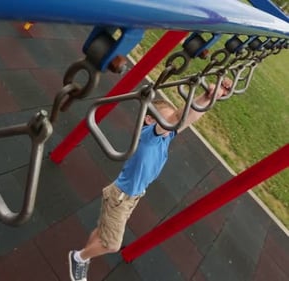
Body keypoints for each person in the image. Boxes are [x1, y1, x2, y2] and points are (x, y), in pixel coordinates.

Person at [68, 78, 233, 281]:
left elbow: (189, 118)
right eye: (166, 118)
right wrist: (193, 101)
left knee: (104, 233)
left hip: (129, 197)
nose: (171, 121)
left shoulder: (165, 139)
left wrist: (209, 97)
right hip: (121, 196)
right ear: (149, 120)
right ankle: (79, 257)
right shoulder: (148, 135)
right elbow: (177, 117)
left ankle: (85, 255)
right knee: (112, 244)